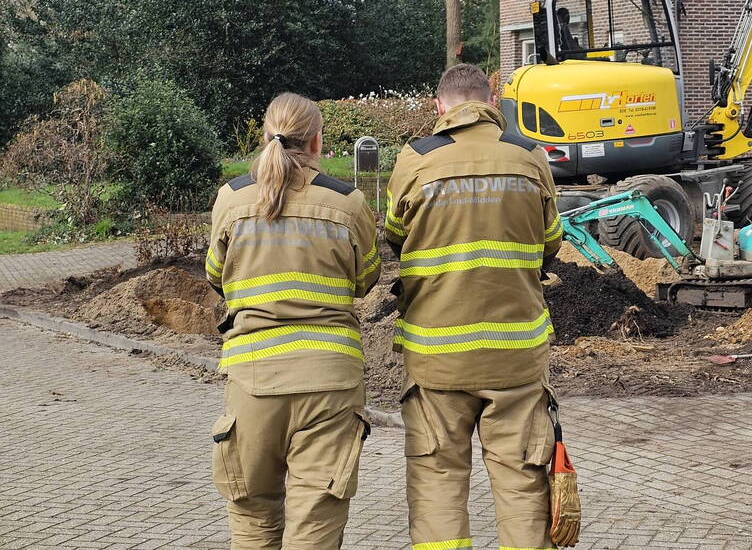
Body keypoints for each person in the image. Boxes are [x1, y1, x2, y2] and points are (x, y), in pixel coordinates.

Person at [385, 64, 564, 550]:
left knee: (437, 479)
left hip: (436, 356)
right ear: (491, 100)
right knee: (523, 480)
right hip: (516, 356)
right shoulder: (530, 156)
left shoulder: (416, 158)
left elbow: (396, 239)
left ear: (439, 107)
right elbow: (552, 243)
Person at [206, 92, 380, 549]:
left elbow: (214, 275)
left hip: (252, 380)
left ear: (265, 137)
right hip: (329, 383)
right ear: (317, 142)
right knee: (315, 526)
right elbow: (366, 279)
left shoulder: (231, 198)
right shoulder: (349, 203)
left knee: (253, 520)